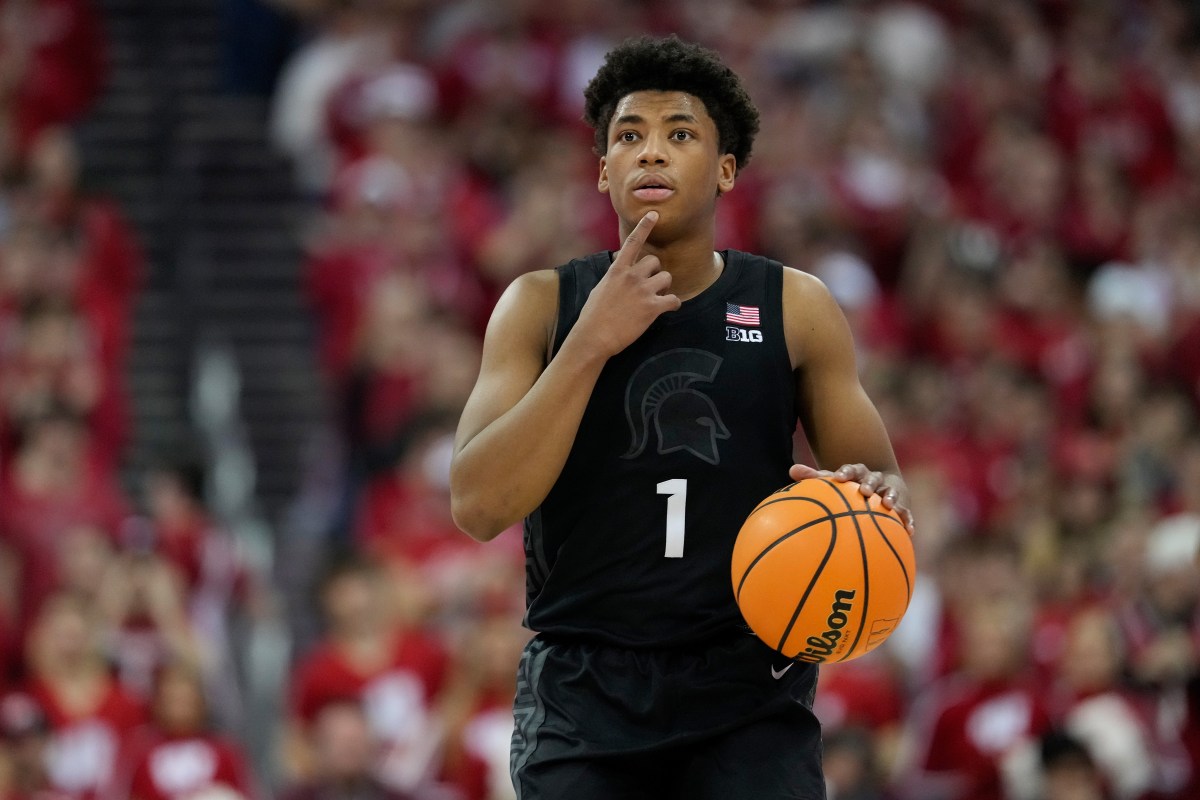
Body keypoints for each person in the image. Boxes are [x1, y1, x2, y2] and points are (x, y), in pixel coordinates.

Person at [449, 35, 912, 800]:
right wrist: (590, 342)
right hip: (585, 690)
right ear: (604, 171)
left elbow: (886, 483)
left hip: (747, 687)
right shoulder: (538, 305)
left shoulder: (795, 306)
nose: (652, 152)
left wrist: (878, 492)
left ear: (726, 169)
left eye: (680, 134)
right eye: (629, 136)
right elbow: (477, 506)